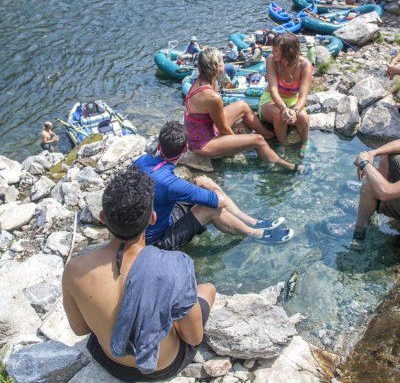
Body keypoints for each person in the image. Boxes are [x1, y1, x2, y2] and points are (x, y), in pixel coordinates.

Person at [62, 166, 216, 381]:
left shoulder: (74, 269)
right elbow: (193, 337)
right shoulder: (174, 265)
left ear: (102, 217)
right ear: (152, 218)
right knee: (207, 289)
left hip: (109, 361)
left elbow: (80, 329)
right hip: (161, 367)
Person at [134, 121, 293, 246]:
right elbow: (220, 202)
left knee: (206, 184)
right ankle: (256, 233)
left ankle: (252, 221)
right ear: (185, 149)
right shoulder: (172, 184)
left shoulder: (143, 160)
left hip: (152, 220)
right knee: (211, 207)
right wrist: (214, 189)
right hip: (157, 240)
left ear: (158, 145)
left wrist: (205, 186)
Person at [184, 47, 302, 172]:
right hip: (203, 144)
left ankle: (269, 135)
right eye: (222, 61)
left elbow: (214, 116)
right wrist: (236, 142)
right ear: (216, 66)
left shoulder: (200, 82)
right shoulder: (212, 96)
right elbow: (223, 127)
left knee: (243, 105)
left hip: (204, 129)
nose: (225, 63)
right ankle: (286, 166)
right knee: (258, 140)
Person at [258, 34, 313, 157]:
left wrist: (295, 111)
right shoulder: (271, 60)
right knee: (278, 113)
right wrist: (284, 109)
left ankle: (305, 142)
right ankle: (282, 143)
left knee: (303, 116)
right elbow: (273, 90)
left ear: (287, 51)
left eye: (276, 50)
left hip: (293, 100)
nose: (272, 52)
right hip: (270, 99)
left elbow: (303, 96)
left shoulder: (305, 65)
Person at [353, 140, 400, 241]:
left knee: (375, 187)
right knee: (370, 185)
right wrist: (372, 153)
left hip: (387, 192)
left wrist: (364, 164)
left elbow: (385, 192)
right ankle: (359, 231)